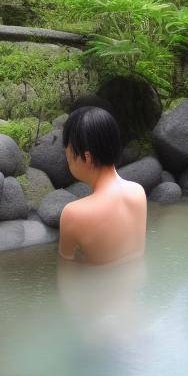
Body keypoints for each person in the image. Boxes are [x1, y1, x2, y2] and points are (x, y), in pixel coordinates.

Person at [58, 106, 147, 265]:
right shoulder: (138, 192)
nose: (68, 162)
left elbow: (67, 271)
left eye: (69, 156)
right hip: (136, 285)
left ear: (87, 157)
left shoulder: (73, 214)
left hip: (100, 289)